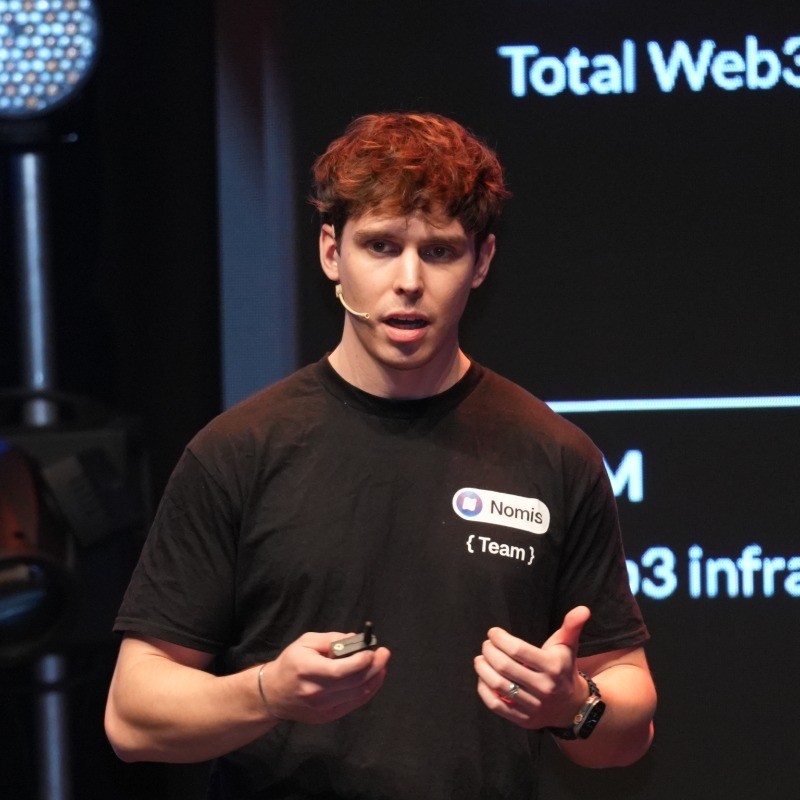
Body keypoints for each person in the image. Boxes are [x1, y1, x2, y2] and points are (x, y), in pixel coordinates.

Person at [105, 112, 656, 799]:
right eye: (381, 246)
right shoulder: (239, 452)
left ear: (482, 261)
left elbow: (629, 723)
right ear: (331, 252)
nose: (409, 280)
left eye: (440, 252)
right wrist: (267, 692)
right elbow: (132, 716)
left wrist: (573, 707)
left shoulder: (554, 454)